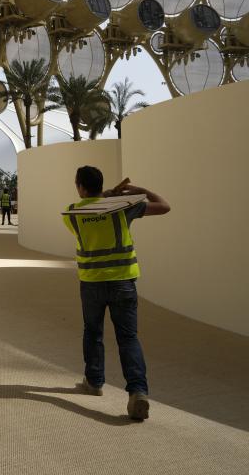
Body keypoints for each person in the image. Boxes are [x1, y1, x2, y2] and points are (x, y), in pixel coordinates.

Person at [63, 166, 170, 421]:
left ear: (80, 186)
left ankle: (94, 382)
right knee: (128, 337)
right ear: (101, 185)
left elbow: (93, 208)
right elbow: (164, 206)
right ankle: (138, 392)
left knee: (93, 332)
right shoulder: (122, 208)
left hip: (91, 284)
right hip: (123, 282)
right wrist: (138, 191)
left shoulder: (72, 213)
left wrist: (105, 196)